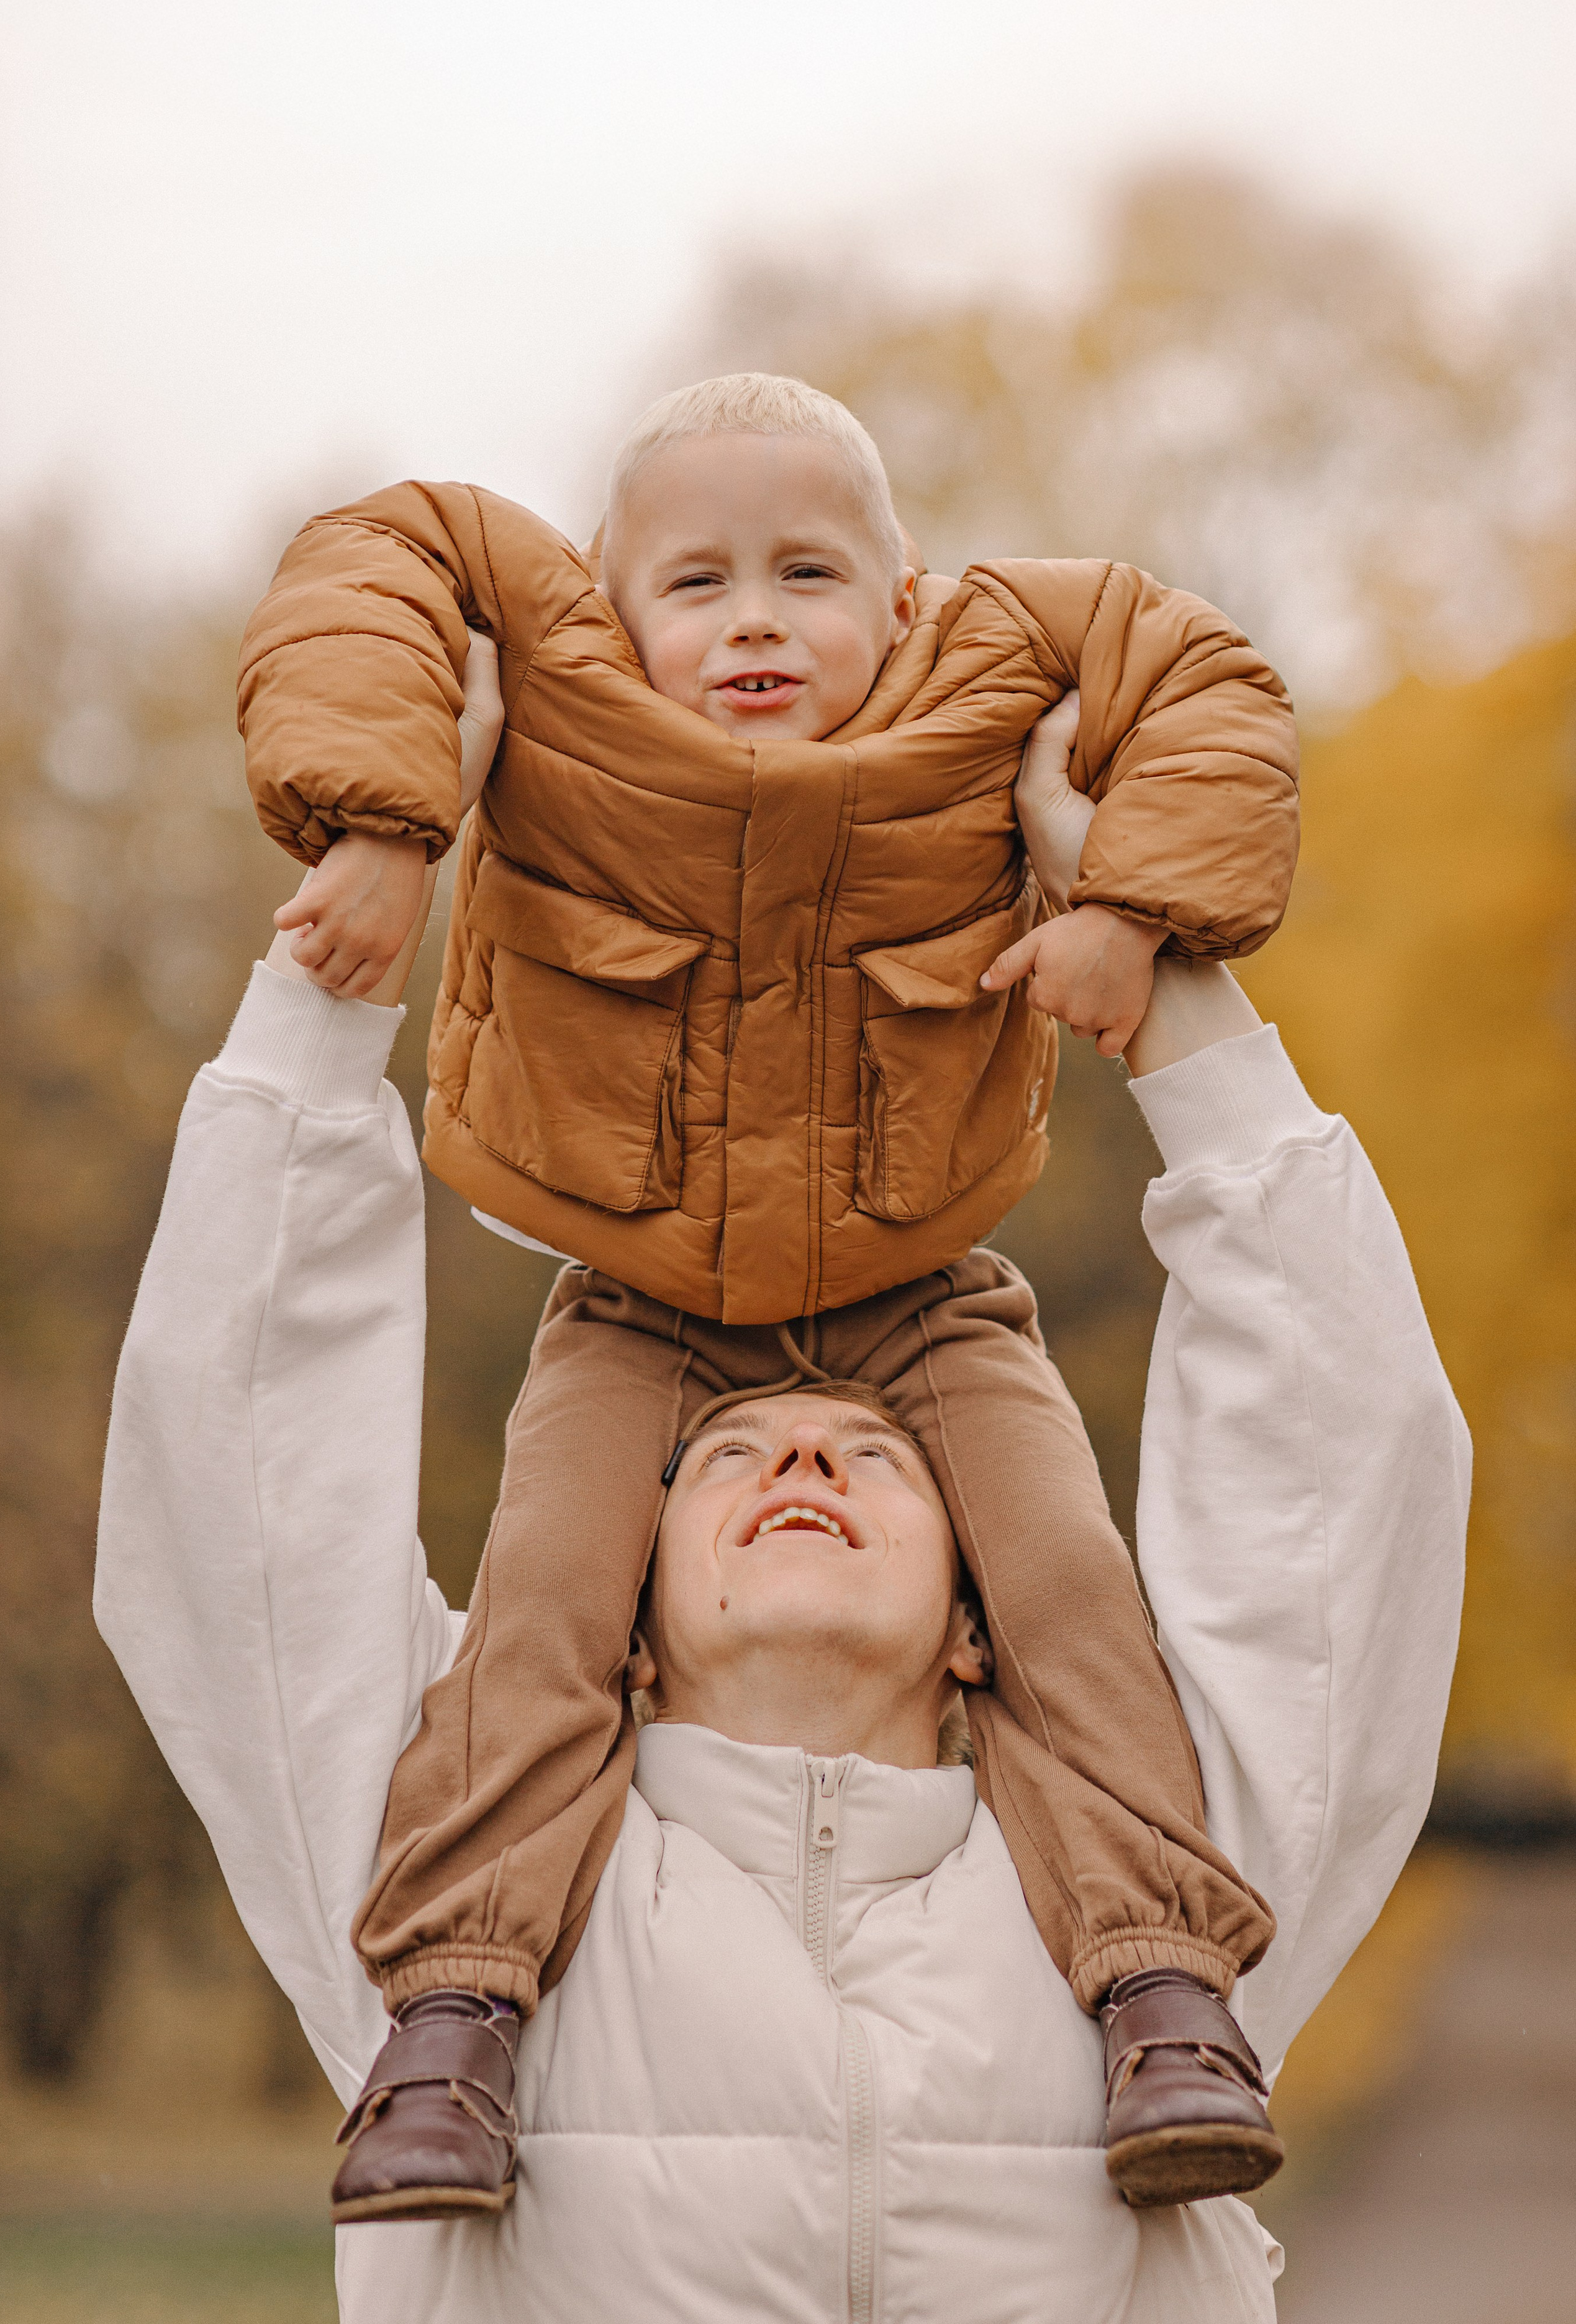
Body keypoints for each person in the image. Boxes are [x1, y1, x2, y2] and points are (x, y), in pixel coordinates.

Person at [94, 866, 1468, 2322]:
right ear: (627, 1620)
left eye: (876, 1454)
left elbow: (1344, 1479)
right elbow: (238, 1490)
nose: (804, 1452)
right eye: (727, 1455)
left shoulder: (1177, 1924)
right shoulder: (430, 1891)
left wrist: (1161, 973)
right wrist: (337, 970)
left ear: (974, 1622)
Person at [231, 372, 1307, 2217]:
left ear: (906, 598)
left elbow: (1207, 679)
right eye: (697, 581)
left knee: (1063, 1589)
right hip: (635, 1303)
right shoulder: (555, 666)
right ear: (604, 599)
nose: (751, 621)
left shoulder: (995, 660)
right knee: (546, 1611)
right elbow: (370, 563)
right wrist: (387, 826)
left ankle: (1160, 1991)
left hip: (925, 1295)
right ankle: (456, 2015)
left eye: (807, 574)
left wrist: (1132, 906)